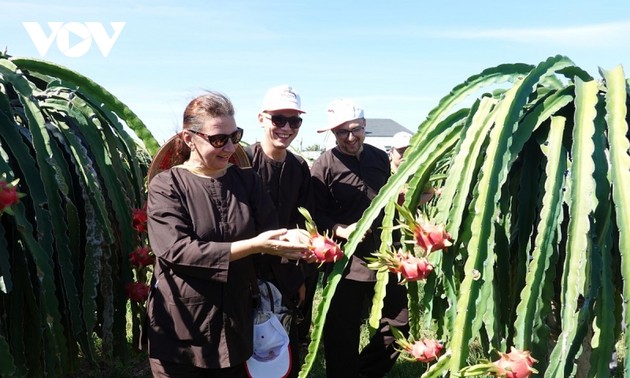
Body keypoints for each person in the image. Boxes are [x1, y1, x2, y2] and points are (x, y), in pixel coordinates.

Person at [145, 91, 308, 378]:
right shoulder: (167, 186)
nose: (230, 147)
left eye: (235, 136)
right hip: (181, 324)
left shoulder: (247, 180)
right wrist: (254, 245)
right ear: (188, 138)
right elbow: (176, 251)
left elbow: (271, 231)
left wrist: (293, 240)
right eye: (219, 139)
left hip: (235, 322)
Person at [310, 99, 409, 378]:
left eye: (356, 130)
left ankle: (363, 372)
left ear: (365, 127)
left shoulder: (379, 158)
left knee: (399, 323)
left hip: (385, 256)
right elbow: (315, 213)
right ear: (333, 133)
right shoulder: (323, 165)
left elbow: (391, 201)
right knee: (342, 332)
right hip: (346, 262)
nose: (350, 137)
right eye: (342, 132)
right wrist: (341, 229)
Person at [244, 84, 315, 377]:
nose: (287, 127)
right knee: (248, 354)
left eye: (294, 120)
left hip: (285, 274)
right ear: (262, 118)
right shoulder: (242, 161)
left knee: (284, 351)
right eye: (279, 119)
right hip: (246, 271)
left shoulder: (299, 167)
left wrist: (298, 277)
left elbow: (302, 225)